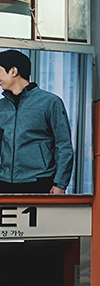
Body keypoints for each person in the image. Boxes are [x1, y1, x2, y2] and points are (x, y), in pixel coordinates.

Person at [0, 50, 74, 194]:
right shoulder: (1, 106)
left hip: (39, 182)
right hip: (4, 182)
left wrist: (60, 184)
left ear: (13, 71)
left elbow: (63, 146)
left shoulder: (50, 102)